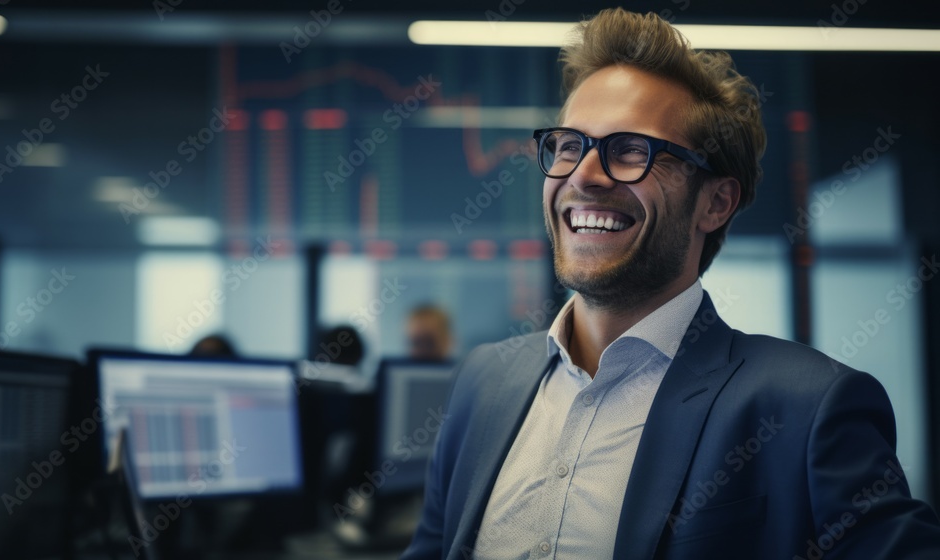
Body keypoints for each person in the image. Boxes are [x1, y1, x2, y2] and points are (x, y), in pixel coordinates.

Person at [402, 8, 940, 560]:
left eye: (632, 150)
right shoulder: (483, 382)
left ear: (715, 202)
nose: (583, 175)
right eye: (568, 145)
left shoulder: (809, 408)